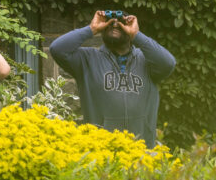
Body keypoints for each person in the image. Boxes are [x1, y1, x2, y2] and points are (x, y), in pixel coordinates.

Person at [50, 10, 175, 147]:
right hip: (101, 151)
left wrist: (137, 35)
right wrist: (91, 29)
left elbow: (168, 63)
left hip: (141, 149)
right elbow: (57, 49)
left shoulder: (147, 61)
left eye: (120, 23)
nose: (115, 25)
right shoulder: (87, 60)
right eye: (109, 23)